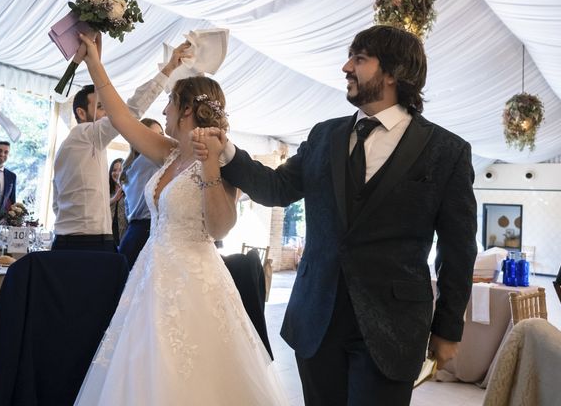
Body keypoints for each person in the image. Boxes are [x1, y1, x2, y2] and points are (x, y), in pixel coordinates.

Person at [195, 25, 478, 406]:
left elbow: (458, 248)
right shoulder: (325, 135)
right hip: (317, 316)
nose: (346, 67)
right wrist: (226, 150)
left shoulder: (447, 151)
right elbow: (276, 188)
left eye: (359, 59)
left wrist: (448, 328)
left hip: (392, 326)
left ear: (393, 73)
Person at [72, 33, 289, 405]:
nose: (165, 112)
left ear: (186, 109)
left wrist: (209, 164)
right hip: (150, 278)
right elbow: (123, 118)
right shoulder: (169, 153)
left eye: (170, 104)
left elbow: (220, 228)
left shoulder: (220, 158)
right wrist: (94, 63)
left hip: (194, 283)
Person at [51, 38, 191, 253]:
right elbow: (129, 112)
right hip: (87, 243)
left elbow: (57, 204)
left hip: (65, 240)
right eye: (100, 107)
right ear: (81, 113)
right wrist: (169, 68)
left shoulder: (74, 146)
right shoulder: (83, 134)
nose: (108, 113)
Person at [118, 118, 164, 269]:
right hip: (146, 233)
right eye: (154, 135)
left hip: (133, 233)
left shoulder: (129, 167)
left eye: (161, 134)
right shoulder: (150, 159)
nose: (160, 139)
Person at [108, 158, 128, 244]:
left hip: (124, 236)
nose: (117, 173)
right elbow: (99, 206)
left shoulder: (129, 191)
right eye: (114, 170)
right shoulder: (106, 190)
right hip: (108, 235)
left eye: (120, 170)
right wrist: (114, 198)